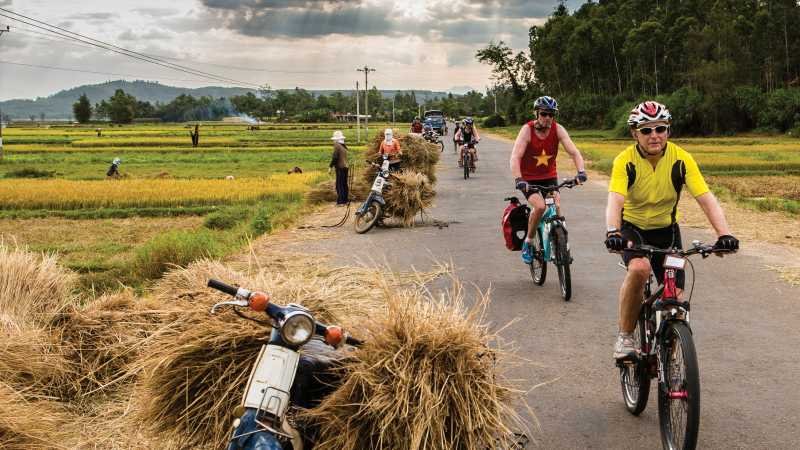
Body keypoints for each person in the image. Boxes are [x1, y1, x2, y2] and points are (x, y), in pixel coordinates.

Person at [604, 100, 739, 360]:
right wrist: (613, 232)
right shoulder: (625, 161)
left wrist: (724, 234)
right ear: (635, 133)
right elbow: (615, 200)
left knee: (675, 298)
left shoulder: (681, 158)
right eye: (646, 130)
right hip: (633, 230)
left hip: (667, 231)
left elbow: (705, 198)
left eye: (660, 129)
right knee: (640, 269)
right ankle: (625, 337)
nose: (654, 135)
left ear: (668, 130)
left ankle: (672, 359)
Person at [511, 95, 587, 265]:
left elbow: (574, 152)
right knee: (539, 206)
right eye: (544, 114)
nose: (547, 118)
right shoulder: (527, 130)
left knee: (556, 205)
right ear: (537, 113)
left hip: (549, 177)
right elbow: (515, 157)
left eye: (551, 114)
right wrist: (519, 179)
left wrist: (581, 172)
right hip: (528, 179)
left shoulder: (558, 129)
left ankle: (562, 242)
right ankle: (529, 242)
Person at [329, 130, 349, 206]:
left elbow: (335, 157)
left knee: (339, 185)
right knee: (344, 184)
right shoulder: (344, 146)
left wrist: (330, 167)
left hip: (340, 167)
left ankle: (340, 202)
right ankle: (345, 201)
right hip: (345, 167)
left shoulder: (337, 145)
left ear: (336, 139)